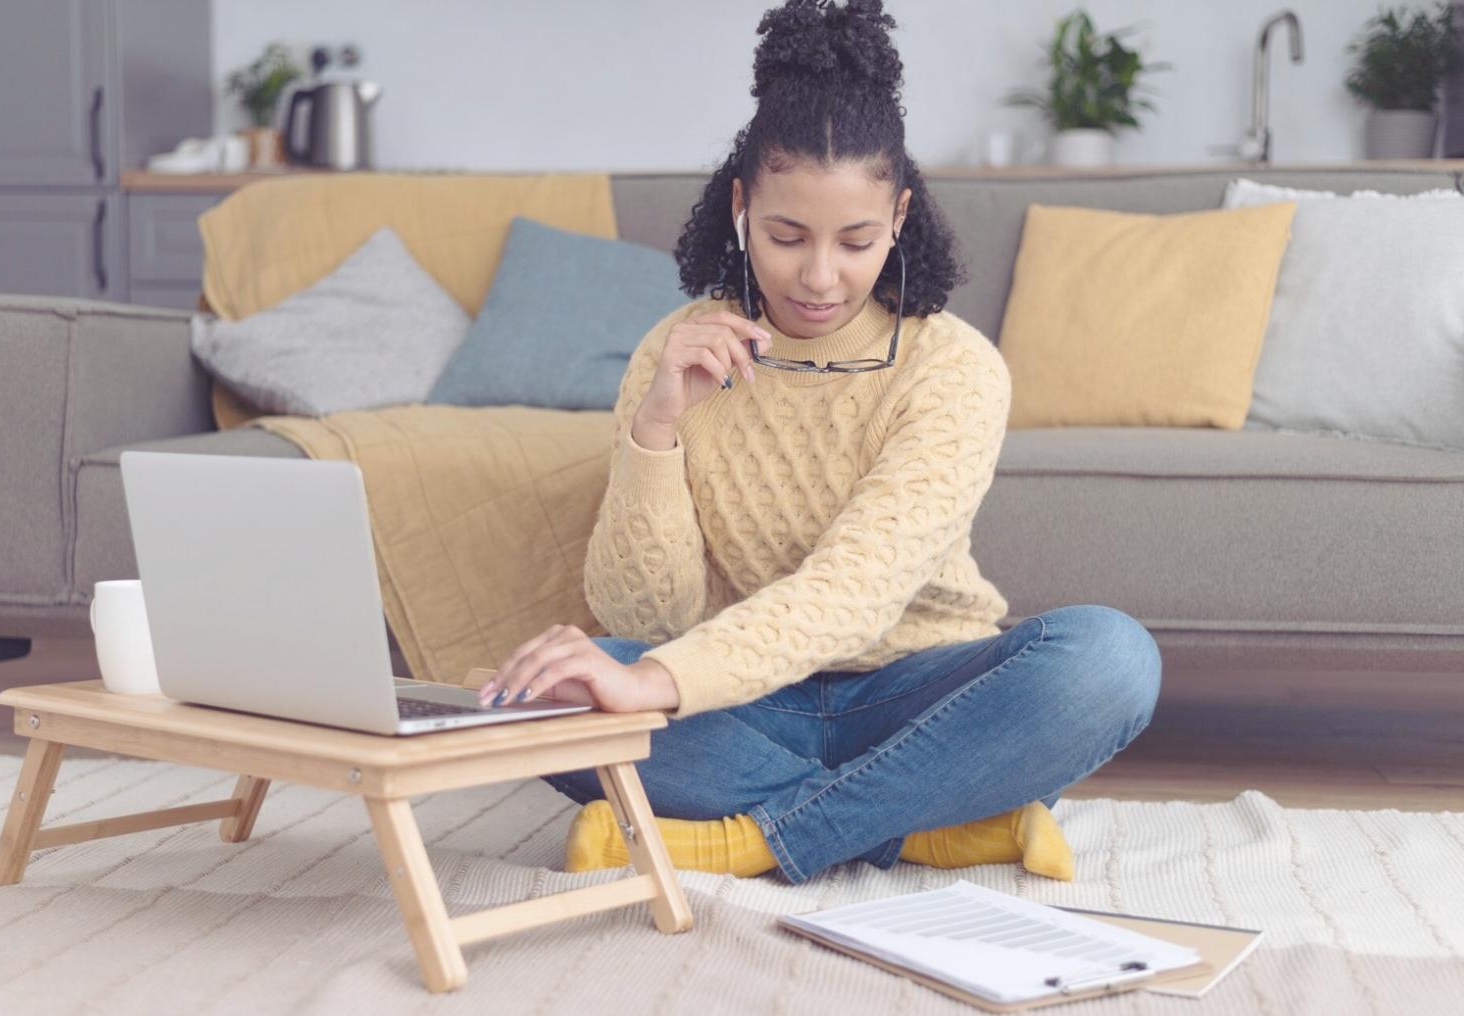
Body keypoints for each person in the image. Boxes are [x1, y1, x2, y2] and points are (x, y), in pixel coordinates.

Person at [474, 0, 1161, 886]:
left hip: (919, 696)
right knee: (549, 692)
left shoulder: (951, 367)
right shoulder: (675, 350)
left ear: (902, 217)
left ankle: (748, 840)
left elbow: (854, 596)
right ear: (740, 207)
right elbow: (651, 621)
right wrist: (656, 431)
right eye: (787, 236)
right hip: (744, 701)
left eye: (856, 240)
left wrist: (655, 684)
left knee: (1109, 658)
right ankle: (929, 824)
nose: (819, 276)